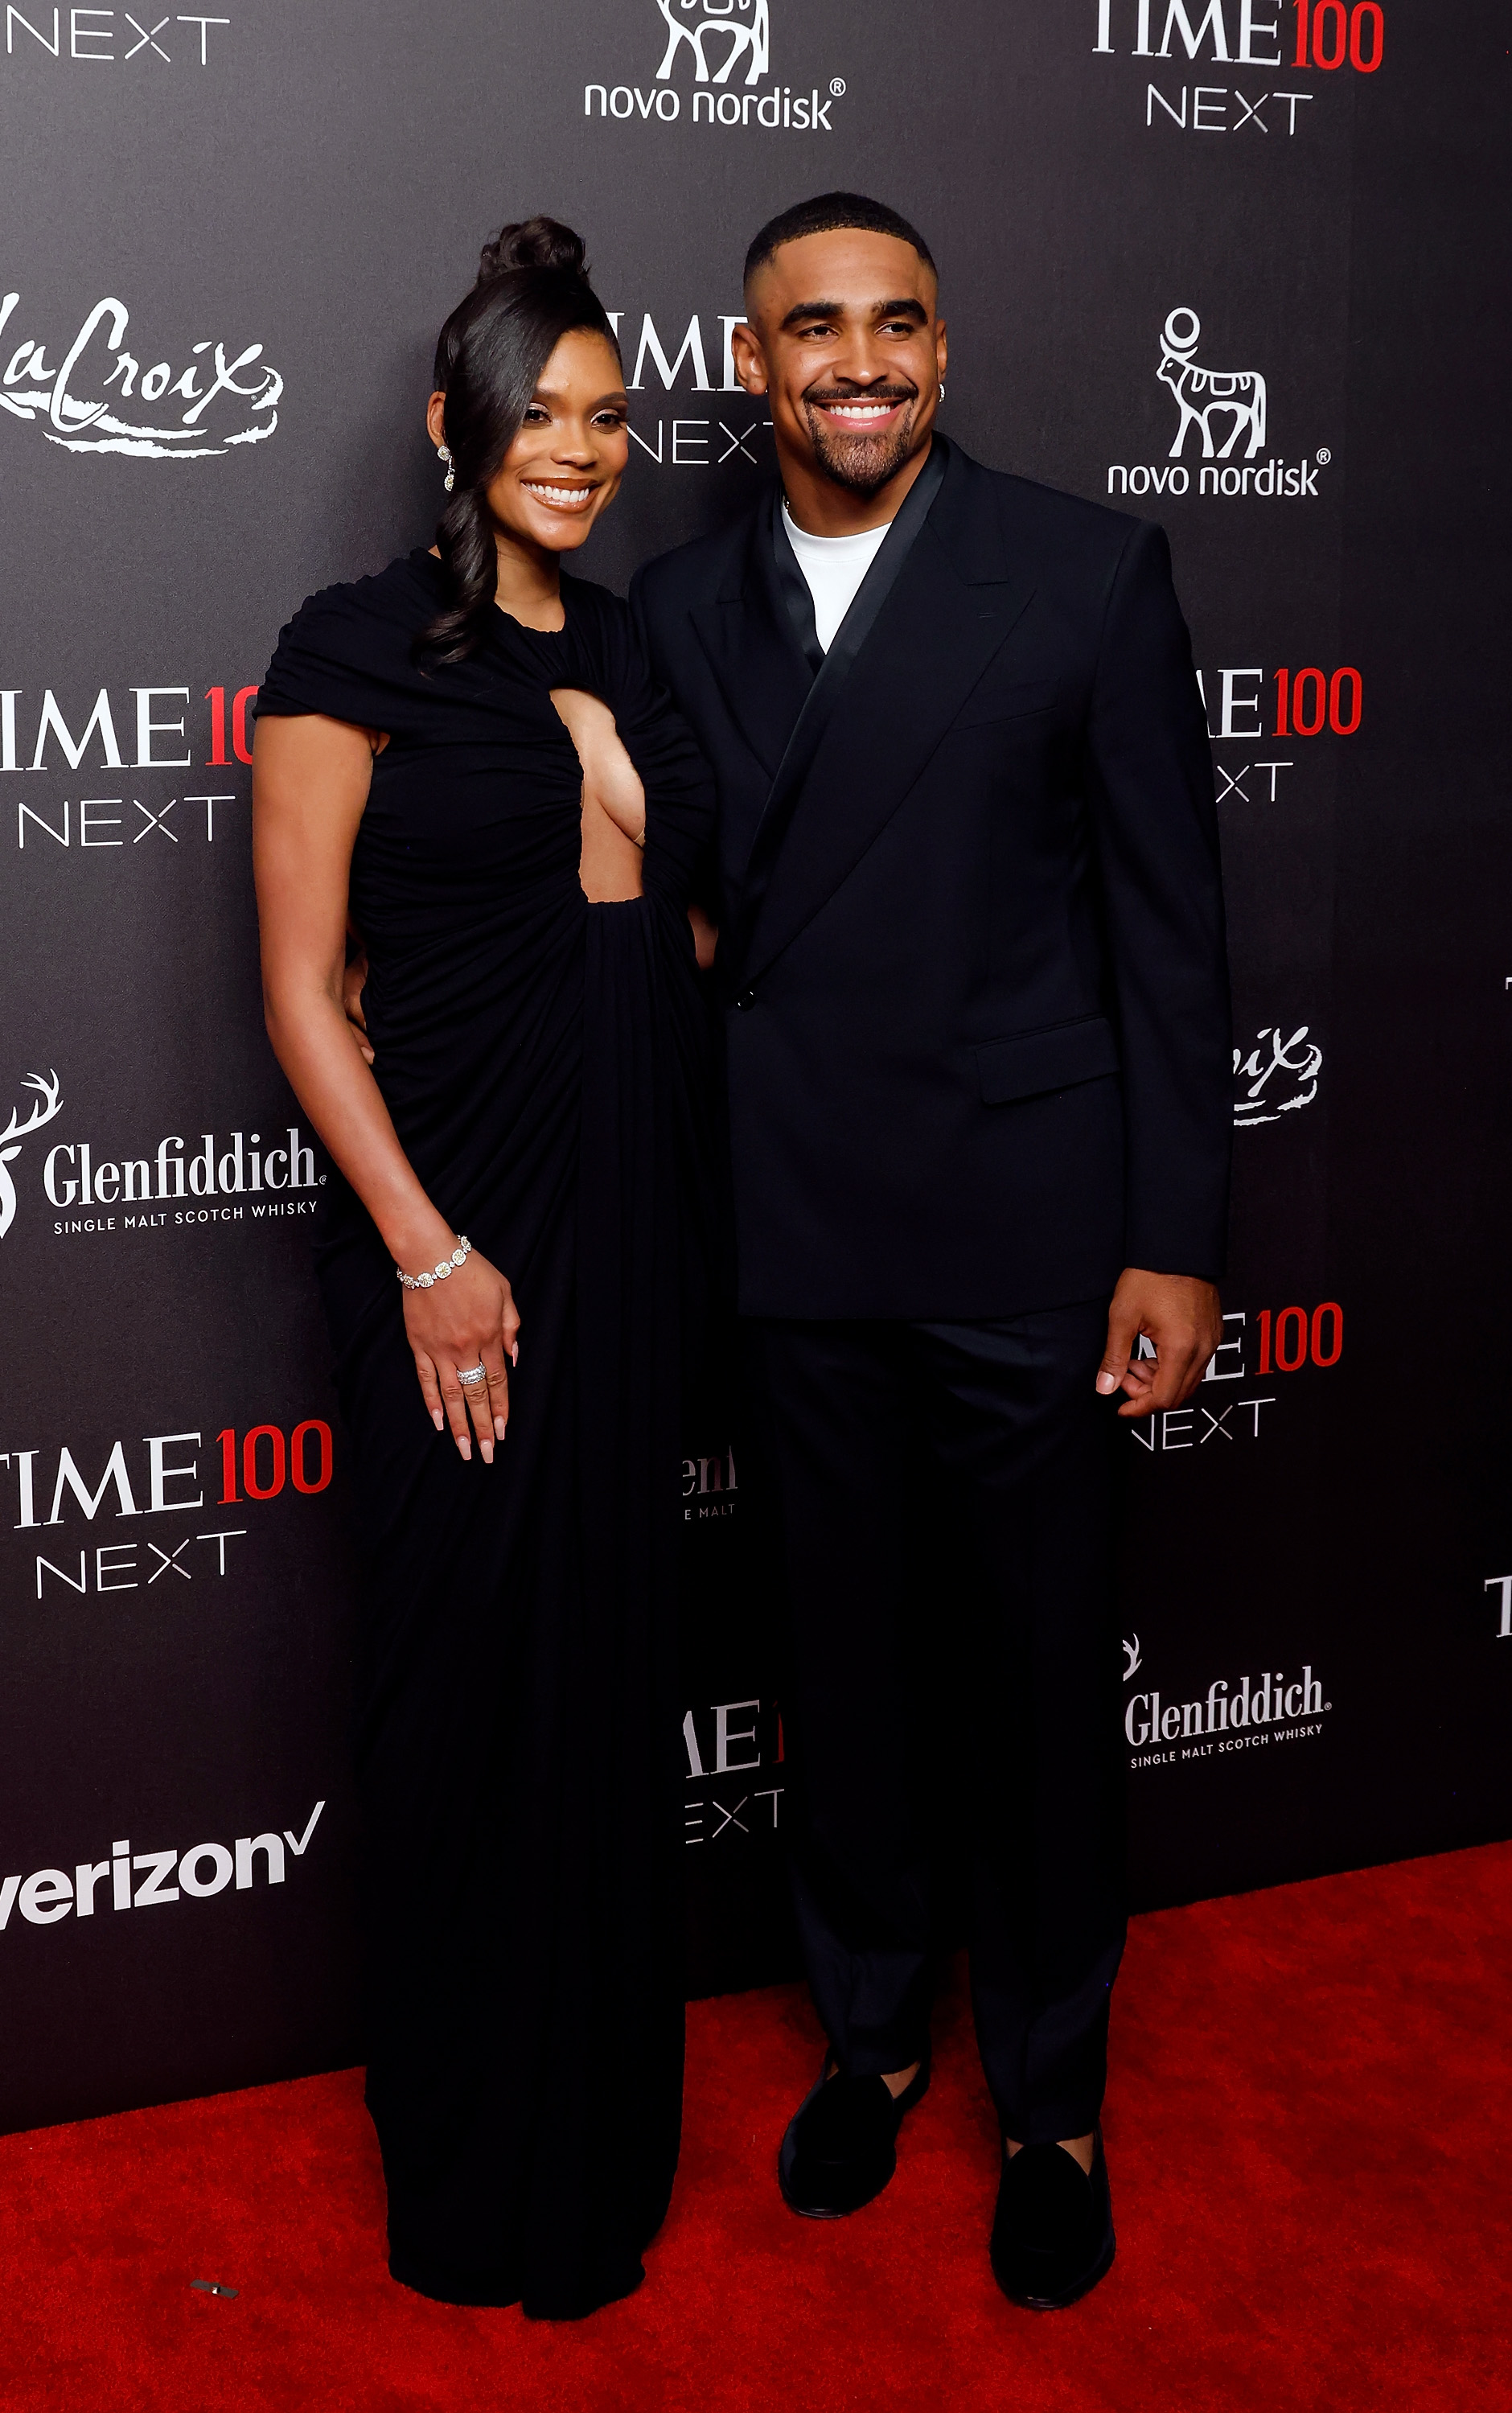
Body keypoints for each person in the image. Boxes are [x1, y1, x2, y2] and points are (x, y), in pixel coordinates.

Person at [631, 192, 1231, 2311]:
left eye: (896, 326)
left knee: (1045, 1684)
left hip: (1031, 1234)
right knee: (848, 1678)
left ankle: (1053, 2097)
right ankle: (875, 2037)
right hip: (801, 1227)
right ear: (751, 367)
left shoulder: (1083, 569)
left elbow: (1170, 934)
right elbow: (656, 900)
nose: (857, 363)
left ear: (945, 356)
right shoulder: (681, 602)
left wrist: (1173, 1238)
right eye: (813, 331)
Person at [250, 218, 714, 2321]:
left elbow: (671, 960)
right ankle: (462, 2163)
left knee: (603, 1679)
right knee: (462, 1698)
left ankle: (593, 2153)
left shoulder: (629, 649)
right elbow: (298, 992)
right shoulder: (348, 649)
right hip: (441, 1237)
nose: (578, 449)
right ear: (457, 425)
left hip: (615, 1223)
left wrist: (615, 800)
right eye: (539, 412)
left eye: (608, 417)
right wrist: (432, 1252)